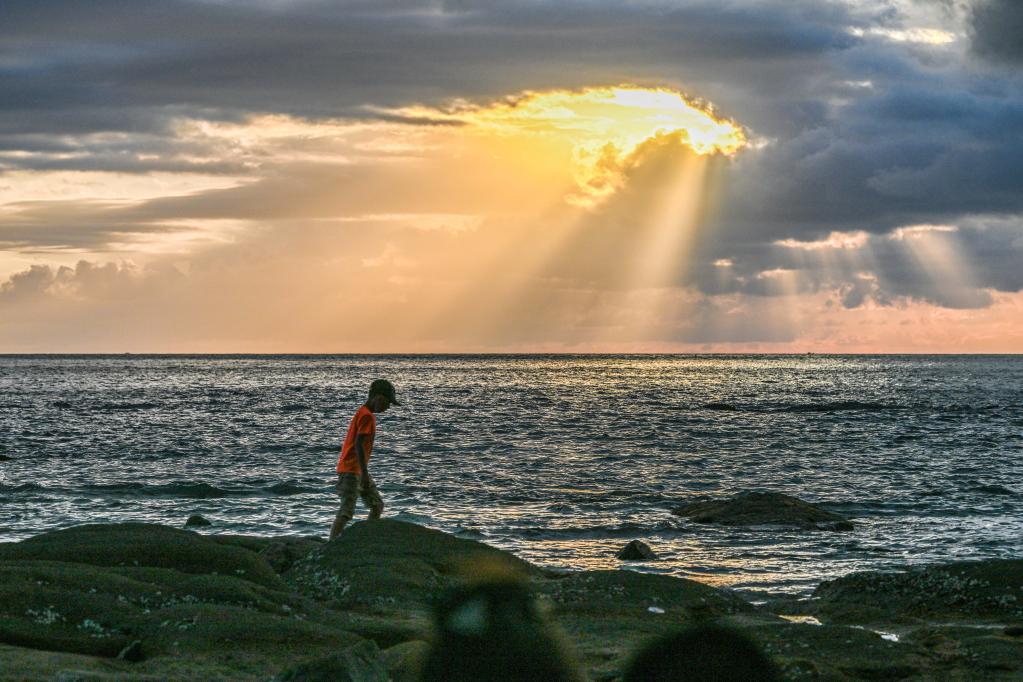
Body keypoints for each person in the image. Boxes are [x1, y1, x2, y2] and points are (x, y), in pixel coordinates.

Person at [330, 379, 399, 540]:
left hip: (357, 470)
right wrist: (365, 473)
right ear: (378, 398)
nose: (387, 408)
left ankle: (367, 539)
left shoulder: (362, 413)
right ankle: (331, 544)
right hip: (351, 470)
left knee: (377, 505)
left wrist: (363, 472)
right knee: (346, 511)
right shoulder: (367, 416)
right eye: (387, 403)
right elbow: (359, 445)